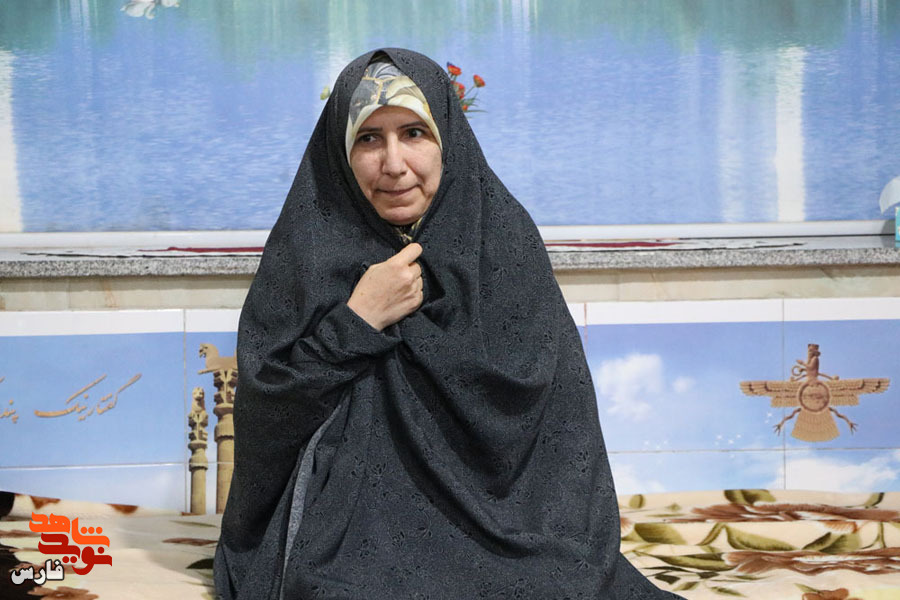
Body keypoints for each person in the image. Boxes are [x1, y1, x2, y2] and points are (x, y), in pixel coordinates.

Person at [214, 48, 683, 600]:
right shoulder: (308, 250)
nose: (394, 164)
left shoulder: (502, 240)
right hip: (351, 520)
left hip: (506, 516)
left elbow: (554, 417)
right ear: (340, 152)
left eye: (414, 133)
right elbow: (269, 409)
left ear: (448, 141)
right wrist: (356, 322)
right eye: (369, 138)